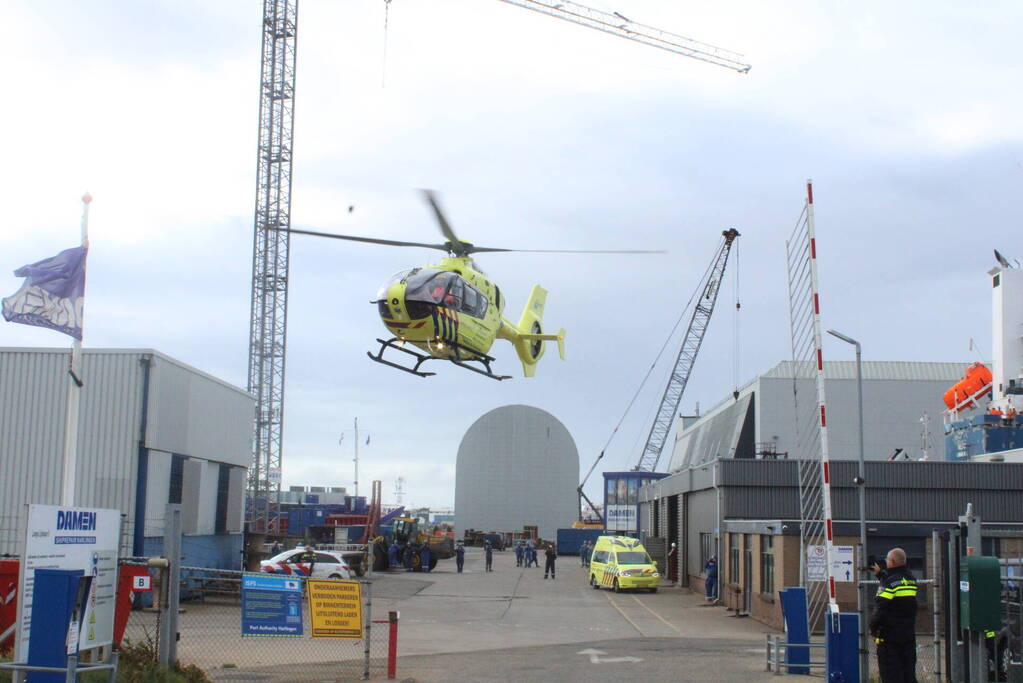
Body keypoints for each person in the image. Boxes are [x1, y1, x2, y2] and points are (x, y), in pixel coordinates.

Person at [869, 548, 918, 683]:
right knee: (908, 674)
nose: (885, 561)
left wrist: (873, 629)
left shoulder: (888, 584)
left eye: (887, 560)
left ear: (892, 561)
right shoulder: (911, 580)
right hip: (908, 637)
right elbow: (897, 587)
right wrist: (880, 575)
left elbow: (880, 609)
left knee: (890, 675)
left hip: (889, 639)